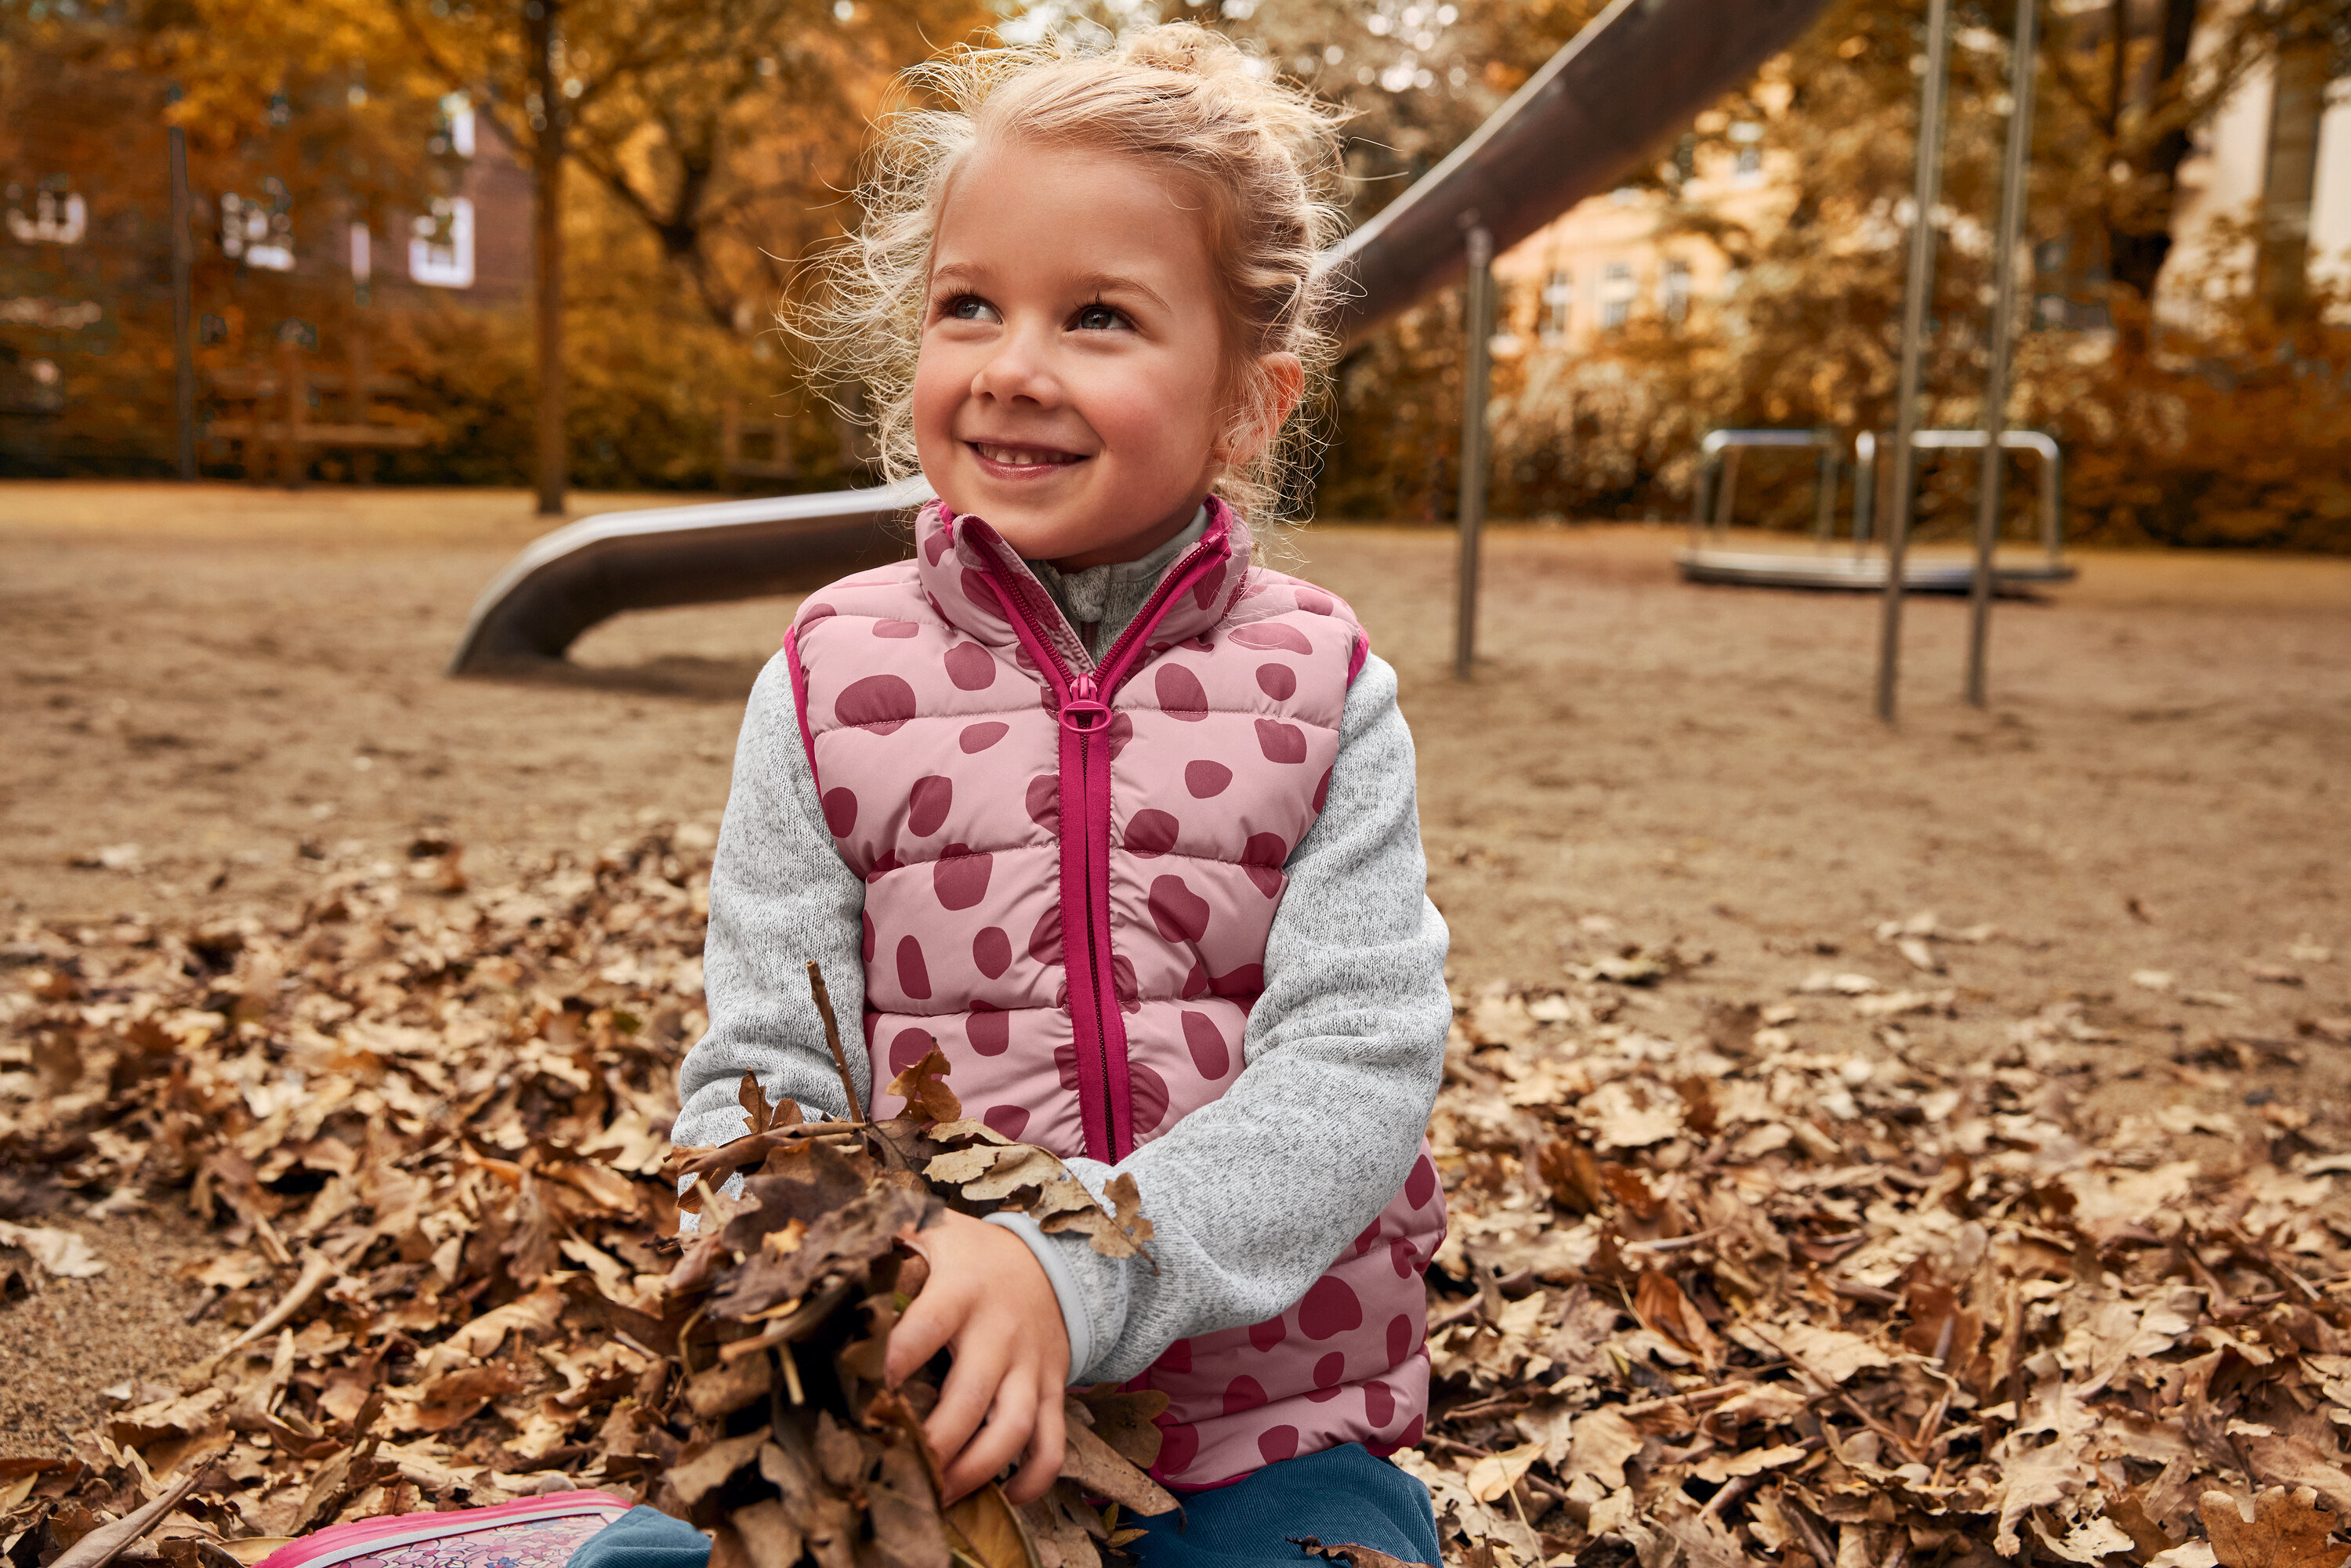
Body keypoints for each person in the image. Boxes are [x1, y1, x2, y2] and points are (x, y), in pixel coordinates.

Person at [673, 25, 1451, 1563]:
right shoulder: (831, 681)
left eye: (1098, 316)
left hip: (1253, 1432)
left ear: (1248, 402)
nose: (1013, 365)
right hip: (912, 1420)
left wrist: (1071, 1271)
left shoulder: (1323, 687)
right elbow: (763, 1078)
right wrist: (858, 1308)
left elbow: (1354, 1068)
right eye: (971, 305)